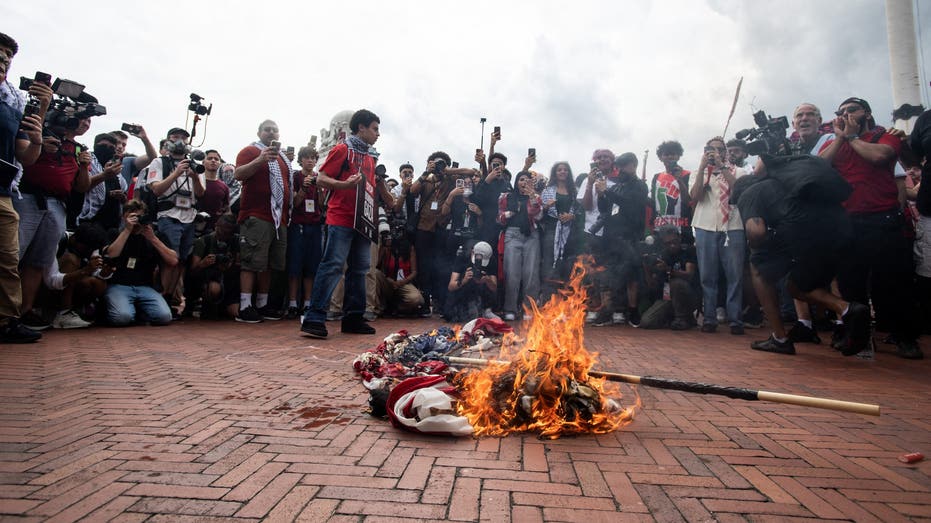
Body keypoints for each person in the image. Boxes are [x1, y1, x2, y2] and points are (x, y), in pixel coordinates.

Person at [732, 157, 871, 356]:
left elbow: (756, 231)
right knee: (796, 286)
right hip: (841, 227)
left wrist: (757, 249)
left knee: (758, 266)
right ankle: (848, 309)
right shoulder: (784, 181)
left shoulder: (748, 194)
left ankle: (780, 338)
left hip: (802, 229)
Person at [819, 97, 921, 359]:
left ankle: (905, 337)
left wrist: (852, 138)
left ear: (866, 112)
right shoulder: (836, 143)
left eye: (851, 109)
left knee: (893, 283)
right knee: (851, 283)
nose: (846, 114)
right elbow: (819, 167)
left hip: (883, 219)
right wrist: (842, 138)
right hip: (848, 221)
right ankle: (858, 337)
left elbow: (880, 157)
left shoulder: (885, 137)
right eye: (840, 112)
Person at [301, 109, 394, 339]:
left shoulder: (371, 157)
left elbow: (370, 190)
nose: (378, 134)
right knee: (332, 265)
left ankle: (353, 318)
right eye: (374, 129)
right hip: (341, 218)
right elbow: (321, 178)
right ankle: (314, 317)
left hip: (363, 221)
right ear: (360, 128)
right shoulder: (342, 149)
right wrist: (344, 186)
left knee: (360, 270)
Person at [16, 113, 93, 331]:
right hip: (28, 198)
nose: (84, 123)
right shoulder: (36, 132)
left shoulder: (78, 149)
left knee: (38, 261)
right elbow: (23, 159)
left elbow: (81, 187)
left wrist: (85, 165)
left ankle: (24, 311)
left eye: (88, 120)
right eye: (81, 118)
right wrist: (39, 146)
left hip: (58, 204)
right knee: (13, 256)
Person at [0, 32, 51, 342]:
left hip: (4, 192)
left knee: (7, 259)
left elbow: (27, 156)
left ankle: (6, 321)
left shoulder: (13, 102)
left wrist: (39, 125)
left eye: (8, 54)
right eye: (0, 52)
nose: (4, 58)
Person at [136, 127, 206, 316]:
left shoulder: (194, 164)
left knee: (181, 260)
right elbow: (156, 189)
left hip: (189, 216)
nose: (180, 141)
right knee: (169, 259)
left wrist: (194, 176)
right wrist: (176, 173)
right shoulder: (159, 162)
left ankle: (169, 299)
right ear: (167, 140)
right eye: (176, 137)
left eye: (183, 137)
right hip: (168, 215)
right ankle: (161, 298)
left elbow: (200, 194)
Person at [233, 120, 291, 323]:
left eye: (275, 129)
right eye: (267, 130)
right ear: (259, 132)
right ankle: (245, 305)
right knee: (251, 262)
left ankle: (262, 304)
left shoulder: (283, 158)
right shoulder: (250, 151)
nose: (271, 132)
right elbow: (238, 174)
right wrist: (260, 160)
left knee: (268, 263)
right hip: (256, 215)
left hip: (278, 219)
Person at [688, 136, 746, 335]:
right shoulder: (700, 172)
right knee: (707, 275)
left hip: (733, 226)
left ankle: (735, 320)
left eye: (720, 149)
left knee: (735, 275)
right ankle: (709, 318)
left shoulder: (738, 171)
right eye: (710, 148)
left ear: (726, 152)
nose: (715, 152)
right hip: (705, 226)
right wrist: (704, 169)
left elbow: (738, 191)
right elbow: (695, 197)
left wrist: (722, 167)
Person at [591, 153, 650, 327]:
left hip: (631, 236)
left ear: (633, 165)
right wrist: (601, 194)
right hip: (612, 236)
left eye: (624, 165)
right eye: (619, 166)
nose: (621, 169)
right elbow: (604, 210)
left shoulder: (639, 186)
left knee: (631, 276)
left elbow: (630, 204)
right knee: (609, 275)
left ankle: (631, 312)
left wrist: (607, 191)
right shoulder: (616, 187)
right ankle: (609, 311)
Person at [100, 200, 177, 326]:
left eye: (139, 216)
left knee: (164, 316)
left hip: (145, 287)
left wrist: (152, 238)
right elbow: (111, 254)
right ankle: (133, 311)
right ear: (123, 216)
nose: (136, 220)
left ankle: (138, 310)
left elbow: (173, 260)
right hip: (119, 285)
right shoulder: (114, 233)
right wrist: (127, 230)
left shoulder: (153, 235)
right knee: (122, 317)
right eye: (132, 216)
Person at [498, 170, 542, 321]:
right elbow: (499, 218)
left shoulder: (535, 197)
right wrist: (509, 214)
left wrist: (532, 196)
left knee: (531, 274)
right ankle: (510, 308)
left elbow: (538, 215)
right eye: (521, 179)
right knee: (512, 273)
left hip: (531, 235)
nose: (524, 183)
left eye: (527, 180)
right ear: (516, 182)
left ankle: (528, 308)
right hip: (513, 234)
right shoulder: (506, 197)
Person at [285, 146, 323, 319]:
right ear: (301, 160)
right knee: (295, 264)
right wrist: (304, 188)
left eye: (313, 158)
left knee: (311, 266)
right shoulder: (295, 176)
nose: (310, 161)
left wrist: (320, 189)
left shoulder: (320, 178)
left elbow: (323, 206)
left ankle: (307, 302)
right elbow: (295, 202)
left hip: (315, 225)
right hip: (298, 224)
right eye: (306, 157)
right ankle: (292, 303)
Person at [639, 226, 698, 330]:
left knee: (676, 283)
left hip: (689, 295)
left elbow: (689, 275)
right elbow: (652, 285)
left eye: (674, 241)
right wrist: (647, 268)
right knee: (646, 322)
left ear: (679, 238)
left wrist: (669, 270)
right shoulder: (663, 255)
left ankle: (682, 318)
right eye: (668, 243)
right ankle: (673, 318)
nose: (672, 245)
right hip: (667, 297)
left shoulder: (689, 250)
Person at [188, 213, 240, 320]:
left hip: (229, 283)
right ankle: (207, 306)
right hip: (208, 281)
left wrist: (230, 266)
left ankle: (223, 308)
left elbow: (240, 266)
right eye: (222, 232)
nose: (224, 236)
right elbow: (192, 272)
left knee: (236, 312)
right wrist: (203, 264)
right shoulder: (203, 241)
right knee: (214, 288)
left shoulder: (235, 241)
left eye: (228, 233)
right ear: (216, 226)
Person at [76, 132, 126, 232]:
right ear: (95, 146)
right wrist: (104, 175)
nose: (107, 149)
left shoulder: (115, 168)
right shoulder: (86, 160)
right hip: (88, 221)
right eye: (103, 146)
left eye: (111, 147)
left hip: (111, 225)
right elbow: (81, 187)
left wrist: (122, 196)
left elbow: (124, 193)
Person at [649, 140, 693, 243]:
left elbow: (689, 201)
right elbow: (653, 203)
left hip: (683, 227)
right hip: (660, 228)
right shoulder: (656, 177)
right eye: (666, 154)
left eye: (673, 154)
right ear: (660, 158)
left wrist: (679, 179)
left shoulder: (688, 175)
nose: (670, 157)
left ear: (678, 156)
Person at [374, 226, 424, 316]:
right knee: (375, 273)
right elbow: (377, 266)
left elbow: (414, 272)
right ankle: (379, 308)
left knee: (417, 299)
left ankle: (396, 307)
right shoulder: (387, 249)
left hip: (404, 282)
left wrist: (402, 282)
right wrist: (383, 246)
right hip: (389, 281)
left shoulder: (409, 248)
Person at [445, 241, 498, 322]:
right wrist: (464, 280)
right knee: (450, 314)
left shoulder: (491, 260)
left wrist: (487, 280)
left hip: (481, 294)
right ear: (473, 252)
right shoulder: (462, 258)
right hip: (463, 293)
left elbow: (494, 288)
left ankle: (485, 310)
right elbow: (451, 286)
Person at [195, 149, 230, 234]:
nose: (213, 161)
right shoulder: (195, 180)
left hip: (214, 230)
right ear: (203, 162)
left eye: (216, 159)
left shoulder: (224, 186)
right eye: (210, 158)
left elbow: (227, 208)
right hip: (194, 226)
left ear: (220, 163)